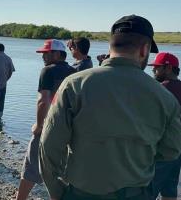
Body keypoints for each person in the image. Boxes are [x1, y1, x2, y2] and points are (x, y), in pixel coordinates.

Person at [39, 15, 181, 200]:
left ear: (110, 46)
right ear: (145, 49)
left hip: (81, 192)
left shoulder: (74, 85)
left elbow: (49, 145)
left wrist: (58, 193)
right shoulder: (165, 97)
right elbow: (170, 152)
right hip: (137, 194)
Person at [16, 39, 76, 200]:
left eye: (47, 53)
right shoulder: (74, 72)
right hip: (69, 129)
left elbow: (43, 100)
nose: (44, 57)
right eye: (43, 54)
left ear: (57, 54)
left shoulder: (47, 71)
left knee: (31, 166)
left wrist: (39, 125)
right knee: (62, 169)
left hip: (49, 126)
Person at [147, 52, 181, 200]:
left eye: (157, 67)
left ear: (168, 68)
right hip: (178, 148)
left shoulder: (160, 89)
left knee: (148, 191)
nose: (153, 70)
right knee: (170, 190)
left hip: (163, 149)